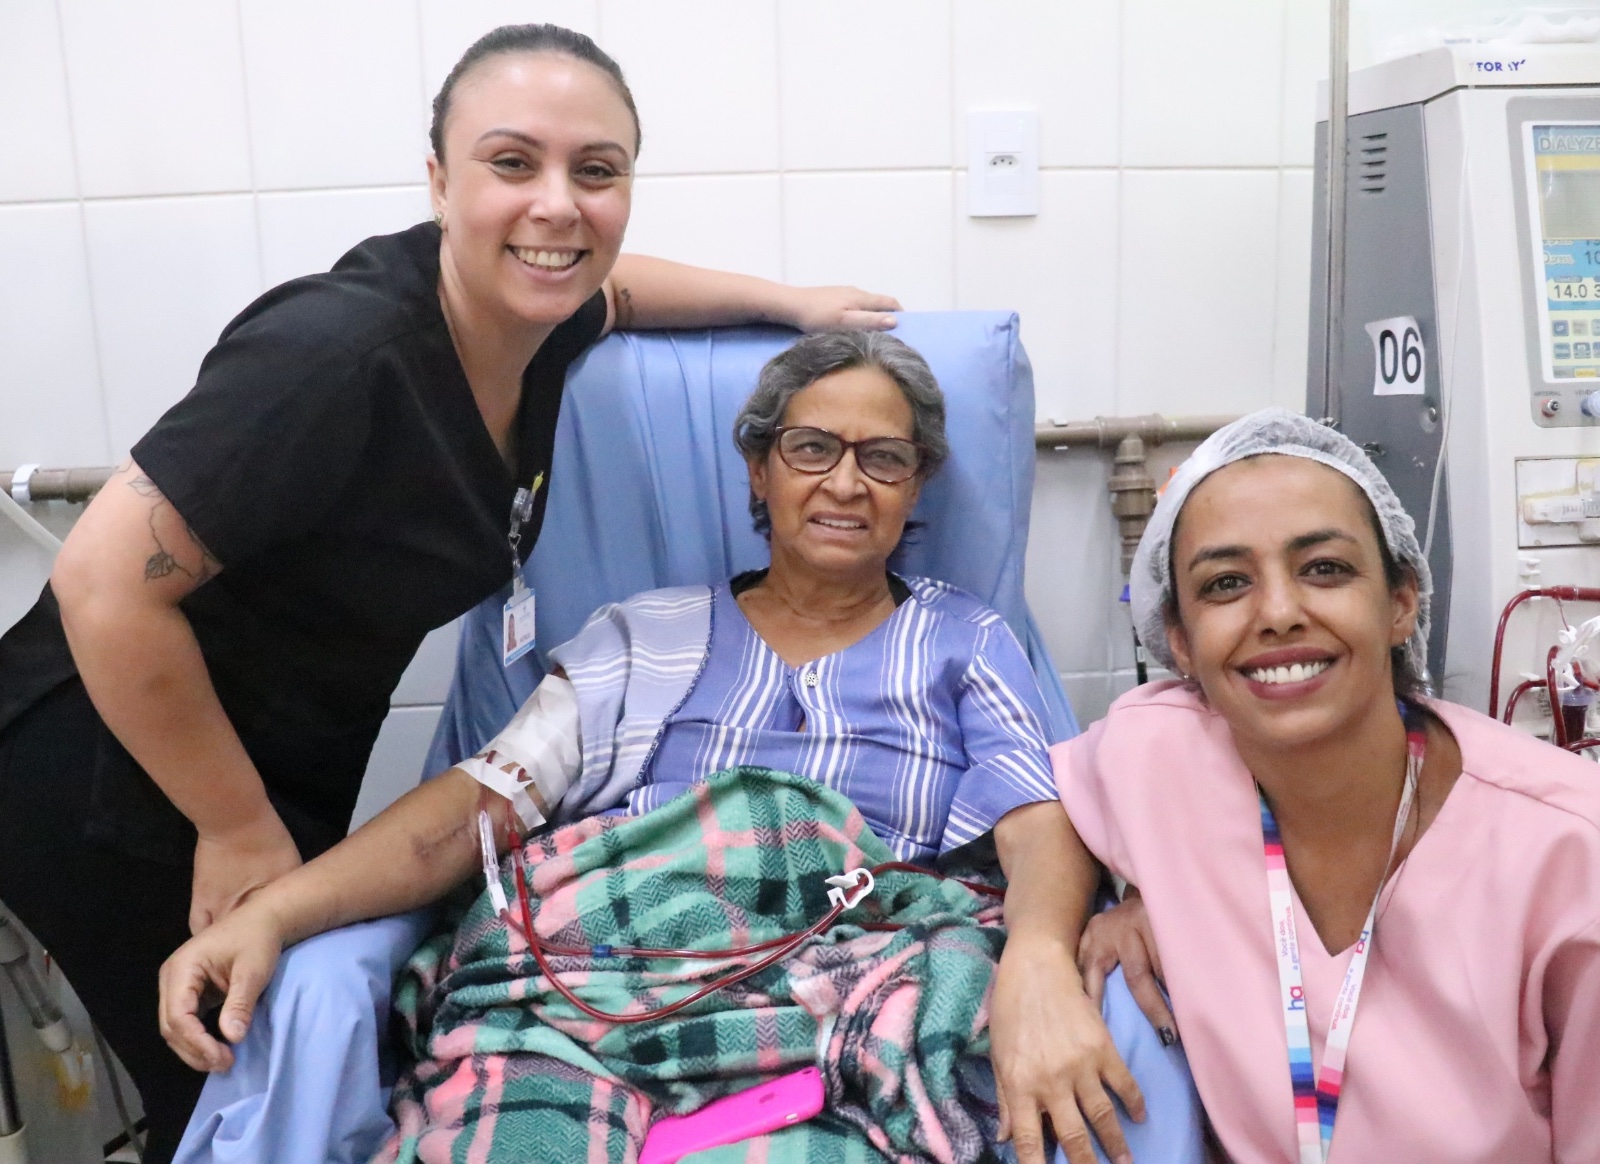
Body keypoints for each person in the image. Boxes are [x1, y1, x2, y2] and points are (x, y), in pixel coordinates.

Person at [0, 25, 903, 1162]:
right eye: (512, 164)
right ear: (439, 181)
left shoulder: (534, 313)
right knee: (238, 1096)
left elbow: (613, 290)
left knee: (317, 1063)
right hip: (115, 771)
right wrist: (232, 830)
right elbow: (101, 584)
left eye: (598, 171)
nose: (558, 207)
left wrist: (787, 303)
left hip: (273, 766)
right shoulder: (338, 357)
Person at [159, 332, 1155, 1164]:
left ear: (913, 486)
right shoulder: (642, 636)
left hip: (852, 988)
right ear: (758, 470)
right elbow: (473, 810)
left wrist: (1034, 959)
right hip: (601, 984)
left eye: (883, 457)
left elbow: (1038, 820)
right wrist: (275, 914)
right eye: (812, 448)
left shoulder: (964, 638)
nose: (847, 482)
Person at [1053, 408, 1600, 1162]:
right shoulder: (1163, 757)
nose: (1278, 613)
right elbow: (1037, 812)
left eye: (1325, 570)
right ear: (1178, 641)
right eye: (1225, 584)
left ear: (1401, 602)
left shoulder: (1569, 854)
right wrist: (1041, 959)